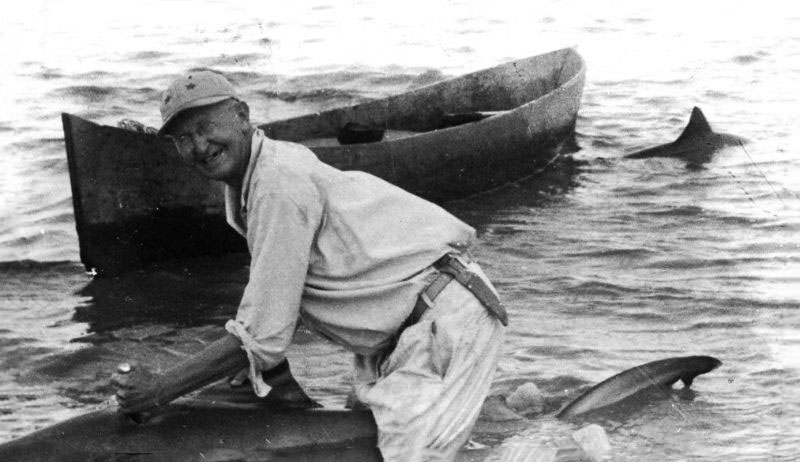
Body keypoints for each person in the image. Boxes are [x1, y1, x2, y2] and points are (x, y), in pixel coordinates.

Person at [111, 70, 507, 462]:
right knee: (357, 445)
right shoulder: (255, 181)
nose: (199, 145)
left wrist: (161, 389)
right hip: (400, 334)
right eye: (183, 138)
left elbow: (262, 337)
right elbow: (278, 304)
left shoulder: (278, 184)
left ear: (243, 115)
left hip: (444, 321)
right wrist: (259, 374)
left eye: (205, 126)